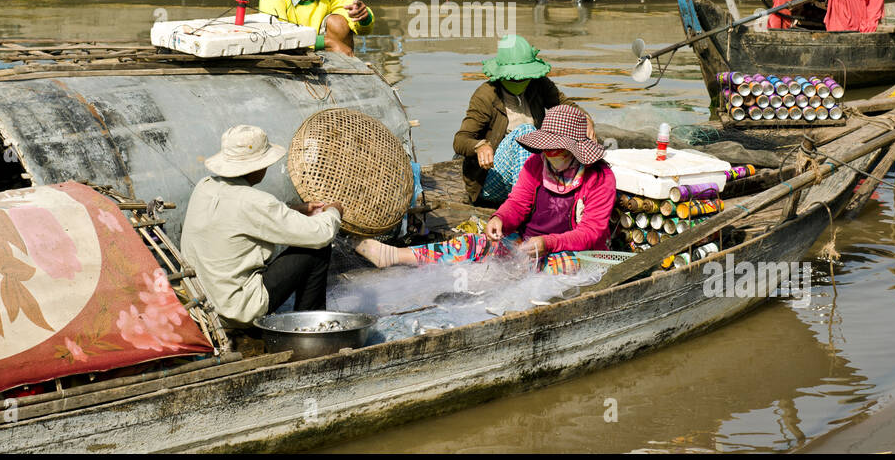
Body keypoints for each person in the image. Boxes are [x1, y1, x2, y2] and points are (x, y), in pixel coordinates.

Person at [357, 104, 614, 271]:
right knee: (477, 244)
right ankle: (396, 256)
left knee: (547, 268)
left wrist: (548, 243)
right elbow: (518, 203)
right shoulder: (536, 164)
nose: (550, 154)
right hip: (529, 243)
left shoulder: (600, 177)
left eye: (558, 150)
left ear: (575, 150)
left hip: (580, 254)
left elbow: (591, 232)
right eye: (547, 149)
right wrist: (500, 219)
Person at [180, 124, 345, 330]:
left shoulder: (204, 187)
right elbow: (321, 234)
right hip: (235, 311)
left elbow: (239, 215)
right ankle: (311, 326)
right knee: (317, 249)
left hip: (200, 305)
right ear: (257, 167)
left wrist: (295, 210)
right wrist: (334, 211)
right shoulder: (254, 202)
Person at [453, 34, 576, 206]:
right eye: (513, 77)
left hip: (537, 168)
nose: (518, 81)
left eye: (523, 77)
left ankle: (540, 197)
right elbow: (460, 140)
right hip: (492, 180)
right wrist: (480, 146)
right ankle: (529, 206)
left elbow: (565, 105)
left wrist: (585, 120)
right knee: (525, 132)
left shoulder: (538, 84)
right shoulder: (486, 95)